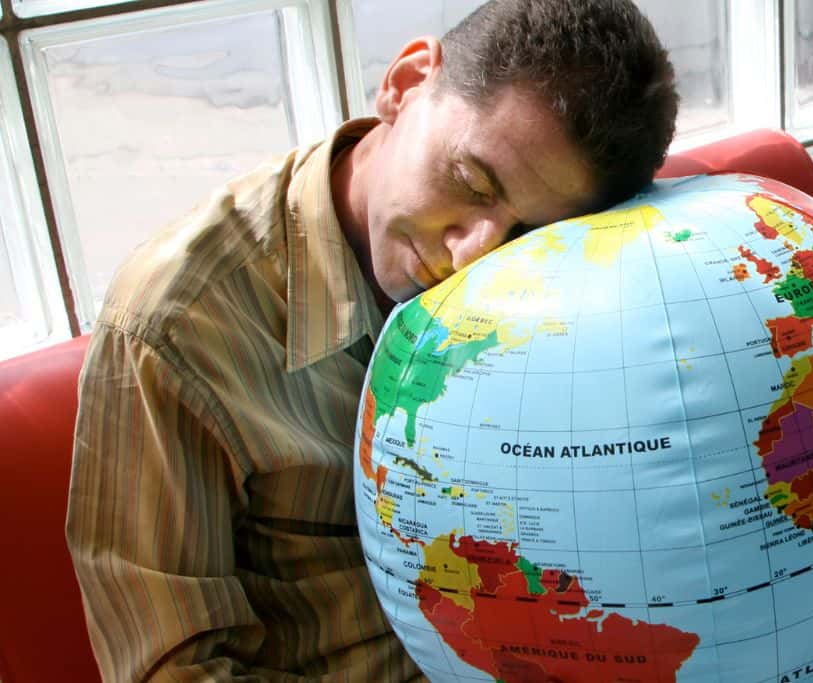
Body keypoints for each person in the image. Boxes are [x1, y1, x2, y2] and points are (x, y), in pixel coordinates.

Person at [65, 1, 678, 679]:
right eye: (471, 181)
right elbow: (174, 670)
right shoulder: (176, 327)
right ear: (406, 82)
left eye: (522, 233)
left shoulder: (580, 275)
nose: (472, 256)